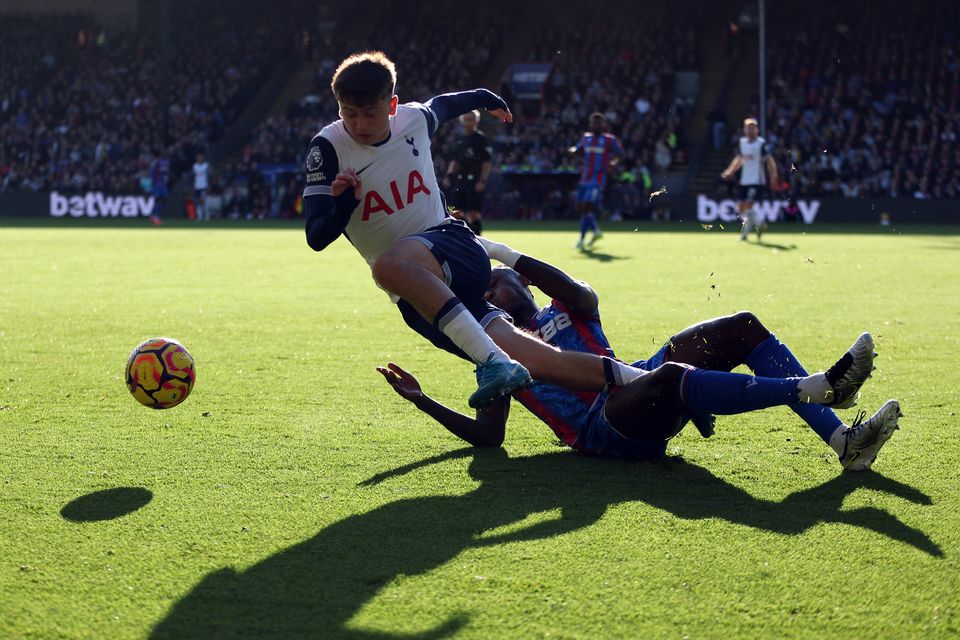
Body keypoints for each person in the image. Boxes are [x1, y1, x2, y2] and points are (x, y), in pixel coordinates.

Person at [378, 237, 902, 472]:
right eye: (483, 294)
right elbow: (489, 436)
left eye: (493, 283)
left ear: (521, 279)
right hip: (602, 428)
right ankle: (814, 385)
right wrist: (423, 400)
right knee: (672, 375)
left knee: (741, 327)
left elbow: (577, 290)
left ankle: (844, 442)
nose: (488, 294)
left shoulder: (566, 305)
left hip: (635, 380)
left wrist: (495, 251)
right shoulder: (492, 349)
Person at [303, 51, 646, 409]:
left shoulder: (414, 119)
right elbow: (316, 237)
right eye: (348, 112)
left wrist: (485, 96)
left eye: (369, 113)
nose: (358, 124)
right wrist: (342, 203)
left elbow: (444, 104)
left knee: (385, 266)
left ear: (391, 106)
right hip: (419, 294)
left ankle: (494, 362)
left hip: (451, 245)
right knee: (543, 363)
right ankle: (663, 382)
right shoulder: (327, 149)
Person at [568, 112, 624, 249]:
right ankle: (595, 231)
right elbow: (577, 148)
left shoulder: (609, 140)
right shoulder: (586, 138)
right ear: (590, 124)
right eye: (593, 122)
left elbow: (621, 154)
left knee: (586, 206)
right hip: (584, 179)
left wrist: (614, 163)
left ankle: (581, 239)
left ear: (603, 125)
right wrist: (572, 150)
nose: (595, 125)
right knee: (583, 209)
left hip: (597, 180)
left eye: (598, 123)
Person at [721, 117, 779, 242]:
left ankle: (745, 234)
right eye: (748, 127)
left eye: (753, 127)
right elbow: (739, 159)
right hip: (744, 181)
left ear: (757, 129)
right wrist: (729, 171)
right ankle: (759, 224)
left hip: (757, 180)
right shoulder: (742, 143)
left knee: (747, 206)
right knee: (741, 208)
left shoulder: (761, 144)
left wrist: (773, 177)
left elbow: (770, 161)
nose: (750, 129)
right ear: (744, 129)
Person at [442, 109, 491, 235]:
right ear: (461, 121)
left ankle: (478, 240)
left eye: (471, 119)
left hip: (474, 181)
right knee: (455, 212)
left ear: (477, 121)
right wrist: (449, 175)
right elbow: (455, 160)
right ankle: (461, 237)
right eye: (466, 119)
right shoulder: (459, 139)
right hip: (460, 180)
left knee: (473, 214)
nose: (468, 122)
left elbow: (486, 162)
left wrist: (482, 180)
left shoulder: (481, 139)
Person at [192, 153, 210, 221]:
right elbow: (194, 176)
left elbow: (209, 175)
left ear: (203, 159)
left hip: (204, 186)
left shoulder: (206, 165)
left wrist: (208, 185)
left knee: (203, 201)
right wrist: (193, 185)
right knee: (197, 202)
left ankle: (207, 215)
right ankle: (199, 217)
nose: (199, 159)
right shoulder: (194, 166)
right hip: (197, 187)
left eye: (200, 158)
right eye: (198, 158)